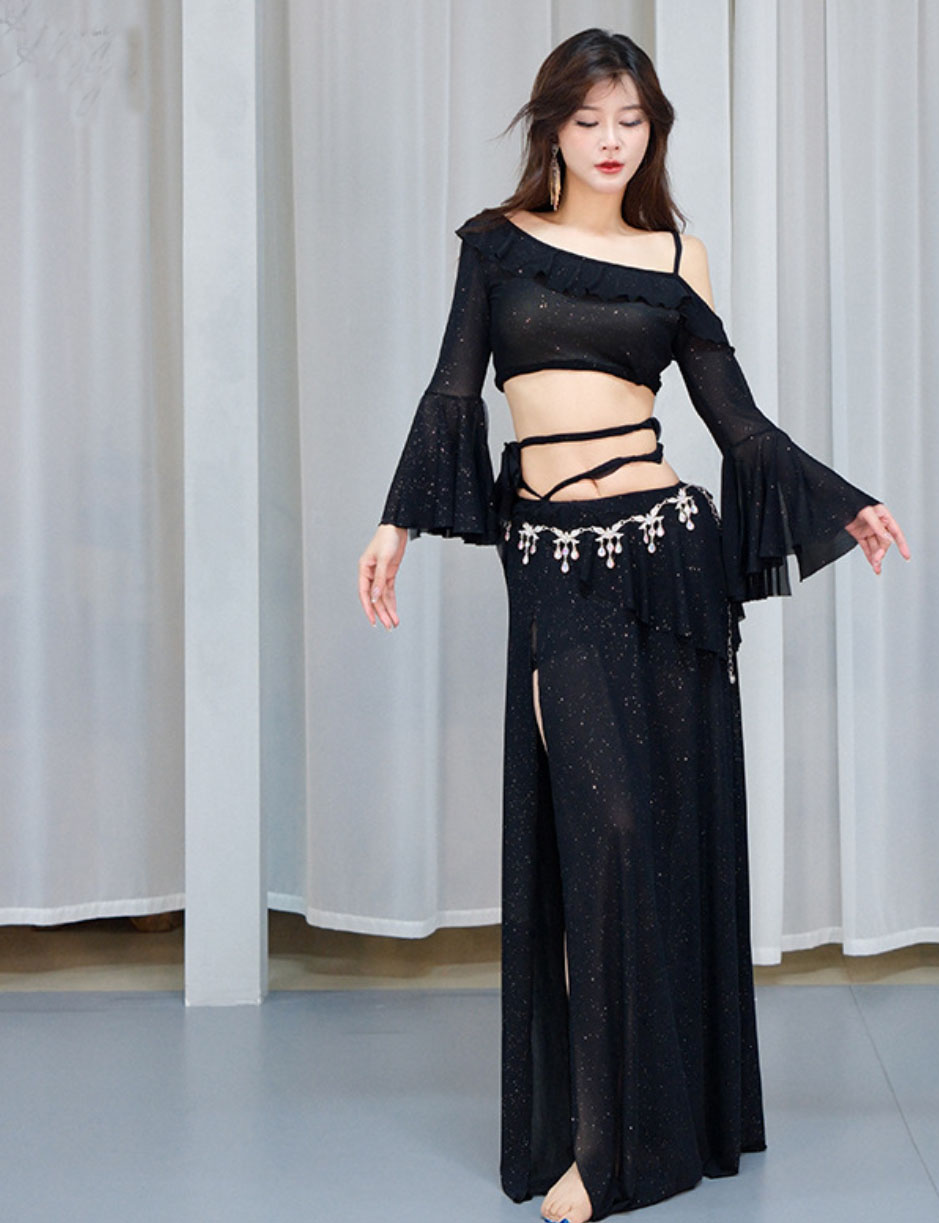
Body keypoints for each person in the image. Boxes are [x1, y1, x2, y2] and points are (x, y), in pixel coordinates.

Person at [358, 28, 909, 1223]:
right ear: (551, 128)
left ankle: (624, 1139)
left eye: (632, 120)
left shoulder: (674, 255)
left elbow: (736, 422)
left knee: (654, 838)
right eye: (589, 120)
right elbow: (454, 390)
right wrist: (395, 521)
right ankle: (605, 1132)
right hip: (554, 563)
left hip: (666, 557)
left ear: (651, 130)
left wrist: (841, 500)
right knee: (598, 828)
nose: (612, 141)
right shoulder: (495, 246)